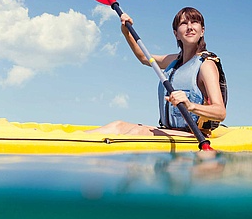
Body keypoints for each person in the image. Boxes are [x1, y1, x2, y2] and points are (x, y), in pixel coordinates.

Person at [87, 7, 226, 136]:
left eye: (194, 22)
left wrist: (191, 106)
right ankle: (71, 140)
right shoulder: (174, 60)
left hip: (194, 135)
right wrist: (126, 31)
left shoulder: (206, 65)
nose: (189, 27)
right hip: (171, 131)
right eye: (184, 23)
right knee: (117, 125)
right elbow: (143, 57)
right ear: (176, 34)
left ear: (202, 31)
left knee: (138, 131)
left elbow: (220, 112)